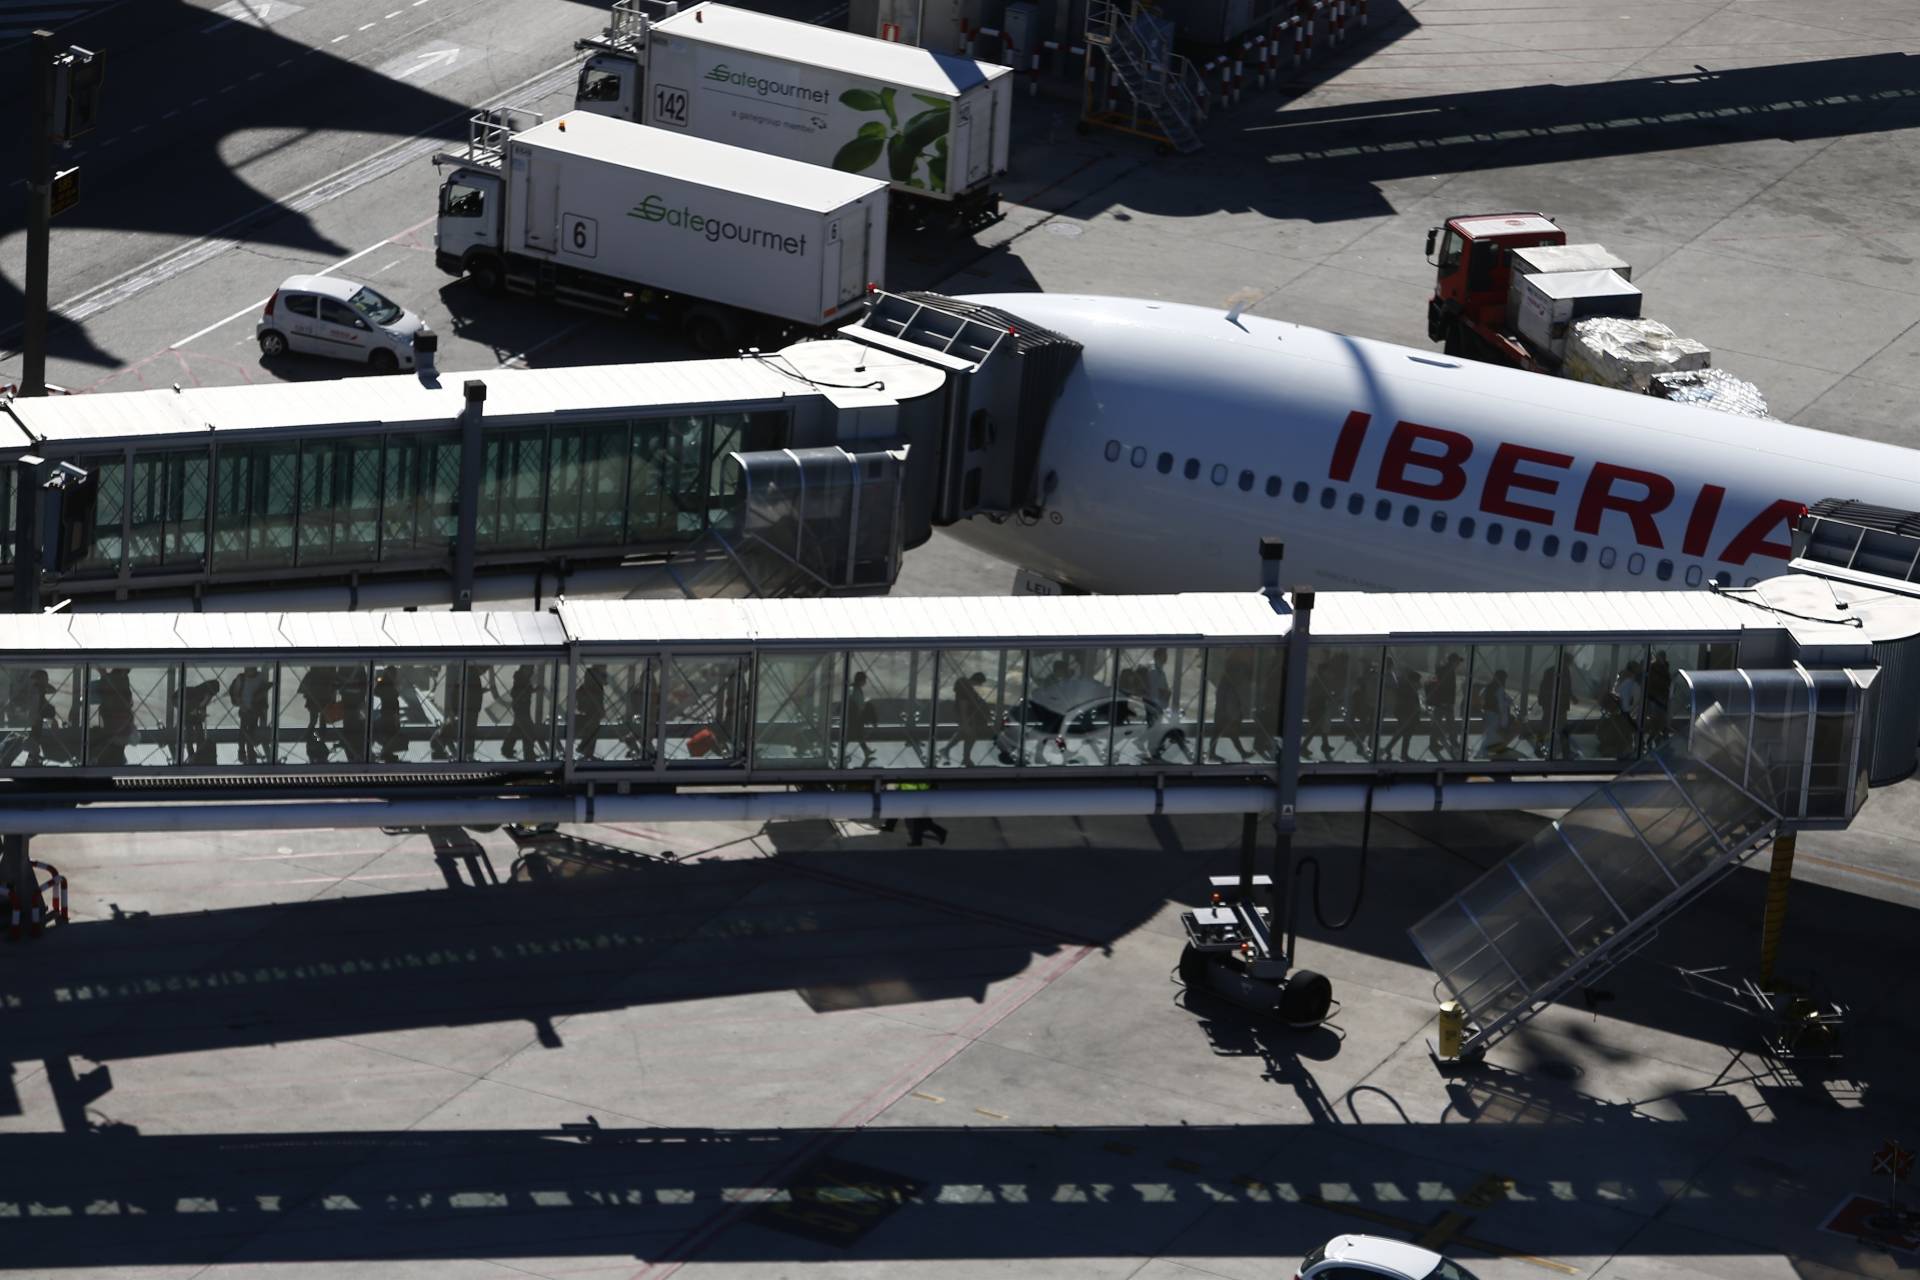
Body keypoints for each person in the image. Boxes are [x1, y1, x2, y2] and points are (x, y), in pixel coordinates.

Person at [939, 671, 992, 766]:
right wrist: (965, 721)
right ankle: (965, 758)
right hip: (966, 716)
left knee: (964, 733)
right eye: (980, 683)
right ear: (977, 681)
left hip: (966, 715)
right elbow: (963, 704)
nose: (980, 685)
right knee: (971, 736)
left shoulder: (965, 686)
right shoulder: (965, 688)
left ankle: (947, 750)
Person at [1381, 656, 1425, 762]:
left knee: (1401, 733)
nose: (1419, 684)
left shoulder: (1407, 687)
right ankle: (1403, 754)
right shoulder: (1408, 689)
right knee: (1406, 734)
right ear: (1413, 681)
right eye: (1417, 681)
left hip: (1405, 713)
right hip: (1406, 714)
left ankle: (1389, 749)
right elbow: (1411, 703)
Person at [1534, 652, 1574, 759]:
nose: (1569, 664)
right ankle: (1541, 747)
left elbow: (1567, 688)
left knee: (1556, 727)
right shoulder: (1553, 672)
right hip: (1552, 705)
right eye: (1569, 662)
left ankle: (1565, 750)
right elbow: (1544, 687)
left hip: (1558, 705)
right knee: (1549, 727)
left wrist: (1571, 697)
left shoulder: (1563, 672)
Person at [1427, 653, 1464, 759]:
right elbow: (1443, 687)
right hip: (1444, 702)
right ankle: (1451, 741)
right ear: (1453, 661)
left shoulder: (1444, 669)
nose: (1459, 664)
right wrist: (1445, 701)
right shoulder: (1447, 671)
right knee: (1449, 722)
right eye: (1458, 661)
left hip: (1442, 702)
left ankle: (1434, 743)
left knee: (1439, 722)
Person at [230, 665, 270, 766]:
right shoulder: (243, 678)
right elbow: (235, 693)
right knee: (247, 730)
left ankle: (245, 752)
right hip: (246, 709)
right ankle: (247, 752)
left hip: (253, 708)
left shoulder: (246, 678)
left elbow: (236, 693)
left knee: (247, 730)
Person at [1476, 668, 1519, 759]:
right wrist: (1508, 703)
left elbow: (1481, 697)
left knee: (1490, 735)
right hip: (1495, 715)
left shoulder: (1489, 687)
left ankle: (1482, 754)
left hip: (1487, 713)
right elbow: (1501, 706)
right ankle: (1482, 754)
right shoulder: (1499, 689)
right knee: (1493, 736)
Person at [506, 664, 542, 761]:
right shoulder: (521, 679)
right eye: (529, 669)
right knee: (528, 731)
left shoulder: (521, 678)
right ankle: (529, 754)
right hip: (521, 708)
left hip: (522, 707)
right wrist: (530, 692)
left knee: (517, 729)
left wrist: (532, 690)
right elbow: (516, 693)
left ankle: (506, 749)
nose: (530, 671)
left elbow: (520, 692)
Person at [181, 677, 220, 765]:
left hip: (189, 710)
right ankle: (196, 750)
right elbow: (200, 705)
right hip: (191, 711)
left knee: (190, 731)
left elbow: (198, 706)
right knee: (194, 730)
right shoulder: (201, 695)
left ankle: (192, 751)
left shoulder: (197, 692)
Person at [373, 666, 407, 762]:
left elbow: (377, 692)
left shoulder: (388, 683)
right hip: (390, 711)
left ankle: (387, 752)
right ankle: (387, 753)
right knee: (391, 733)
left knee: (390, 733)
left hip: (388, 711)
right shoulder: (387, 684)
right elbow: (378, 692)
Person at [844, 670, 877, 767]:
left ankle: (866, 751)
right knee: (854, 735)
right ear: (861, 680)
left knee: (857, 735)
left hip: (853, 716)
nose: (865, 682)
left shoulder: (853, 688)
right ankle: (842, 752)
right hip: (855, 717)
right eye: (864, 680)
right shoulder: (856, 690)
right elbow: (858, 705)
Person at [575, 664, 608, 759]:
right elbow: (600, 686)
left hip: (592, 707)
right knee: (592, 730)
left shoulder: (595, 676)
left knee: (593, 731)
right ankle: (584, 749)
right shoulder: (593, 674)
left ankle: (587, 752)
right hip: (592, 707)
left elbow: (604, 683)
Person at [1143, 648, 1172, 724]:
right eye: (1164, 655)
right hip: (1154, 705)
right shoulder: (1154, 671)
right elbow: (1154, 692)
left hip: (1156, 705)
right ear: (1157, 656)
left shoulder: (1159, 670)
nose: (1166, 657)